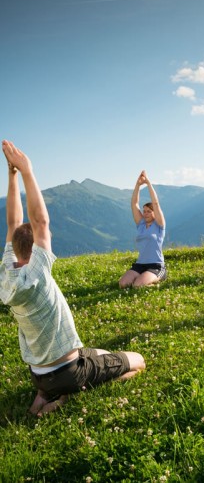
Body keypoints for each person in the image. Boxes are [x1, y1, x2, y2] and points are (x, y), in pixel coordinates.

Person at [0, 140, 146, 416]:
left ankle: (44, 394)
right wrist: (26, 171)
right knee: (138, 361)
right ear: (36, 250)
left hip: (39, 374)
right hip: (67, 371)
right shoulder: (37, 275)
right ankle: (65, 399)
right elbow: (40, 223)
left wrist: (11, 175)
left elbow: (12, 222)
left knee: (100, 352)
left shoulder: (7, 274)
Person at [119, 170, 167, 288]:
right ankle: (144, 279)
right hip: (140, 264)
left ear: (154, 213)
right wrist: (138, 185)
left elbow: (155, 203)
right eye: (144, 211)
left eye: (149, 212)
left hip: (155, 265)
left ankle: (158, 280)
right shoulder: (141, 225)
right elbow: (134, 204)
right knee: (123, 284)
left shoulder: (159, 225)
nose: (145, 214)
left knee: (137, 285)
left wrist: (148, 183)